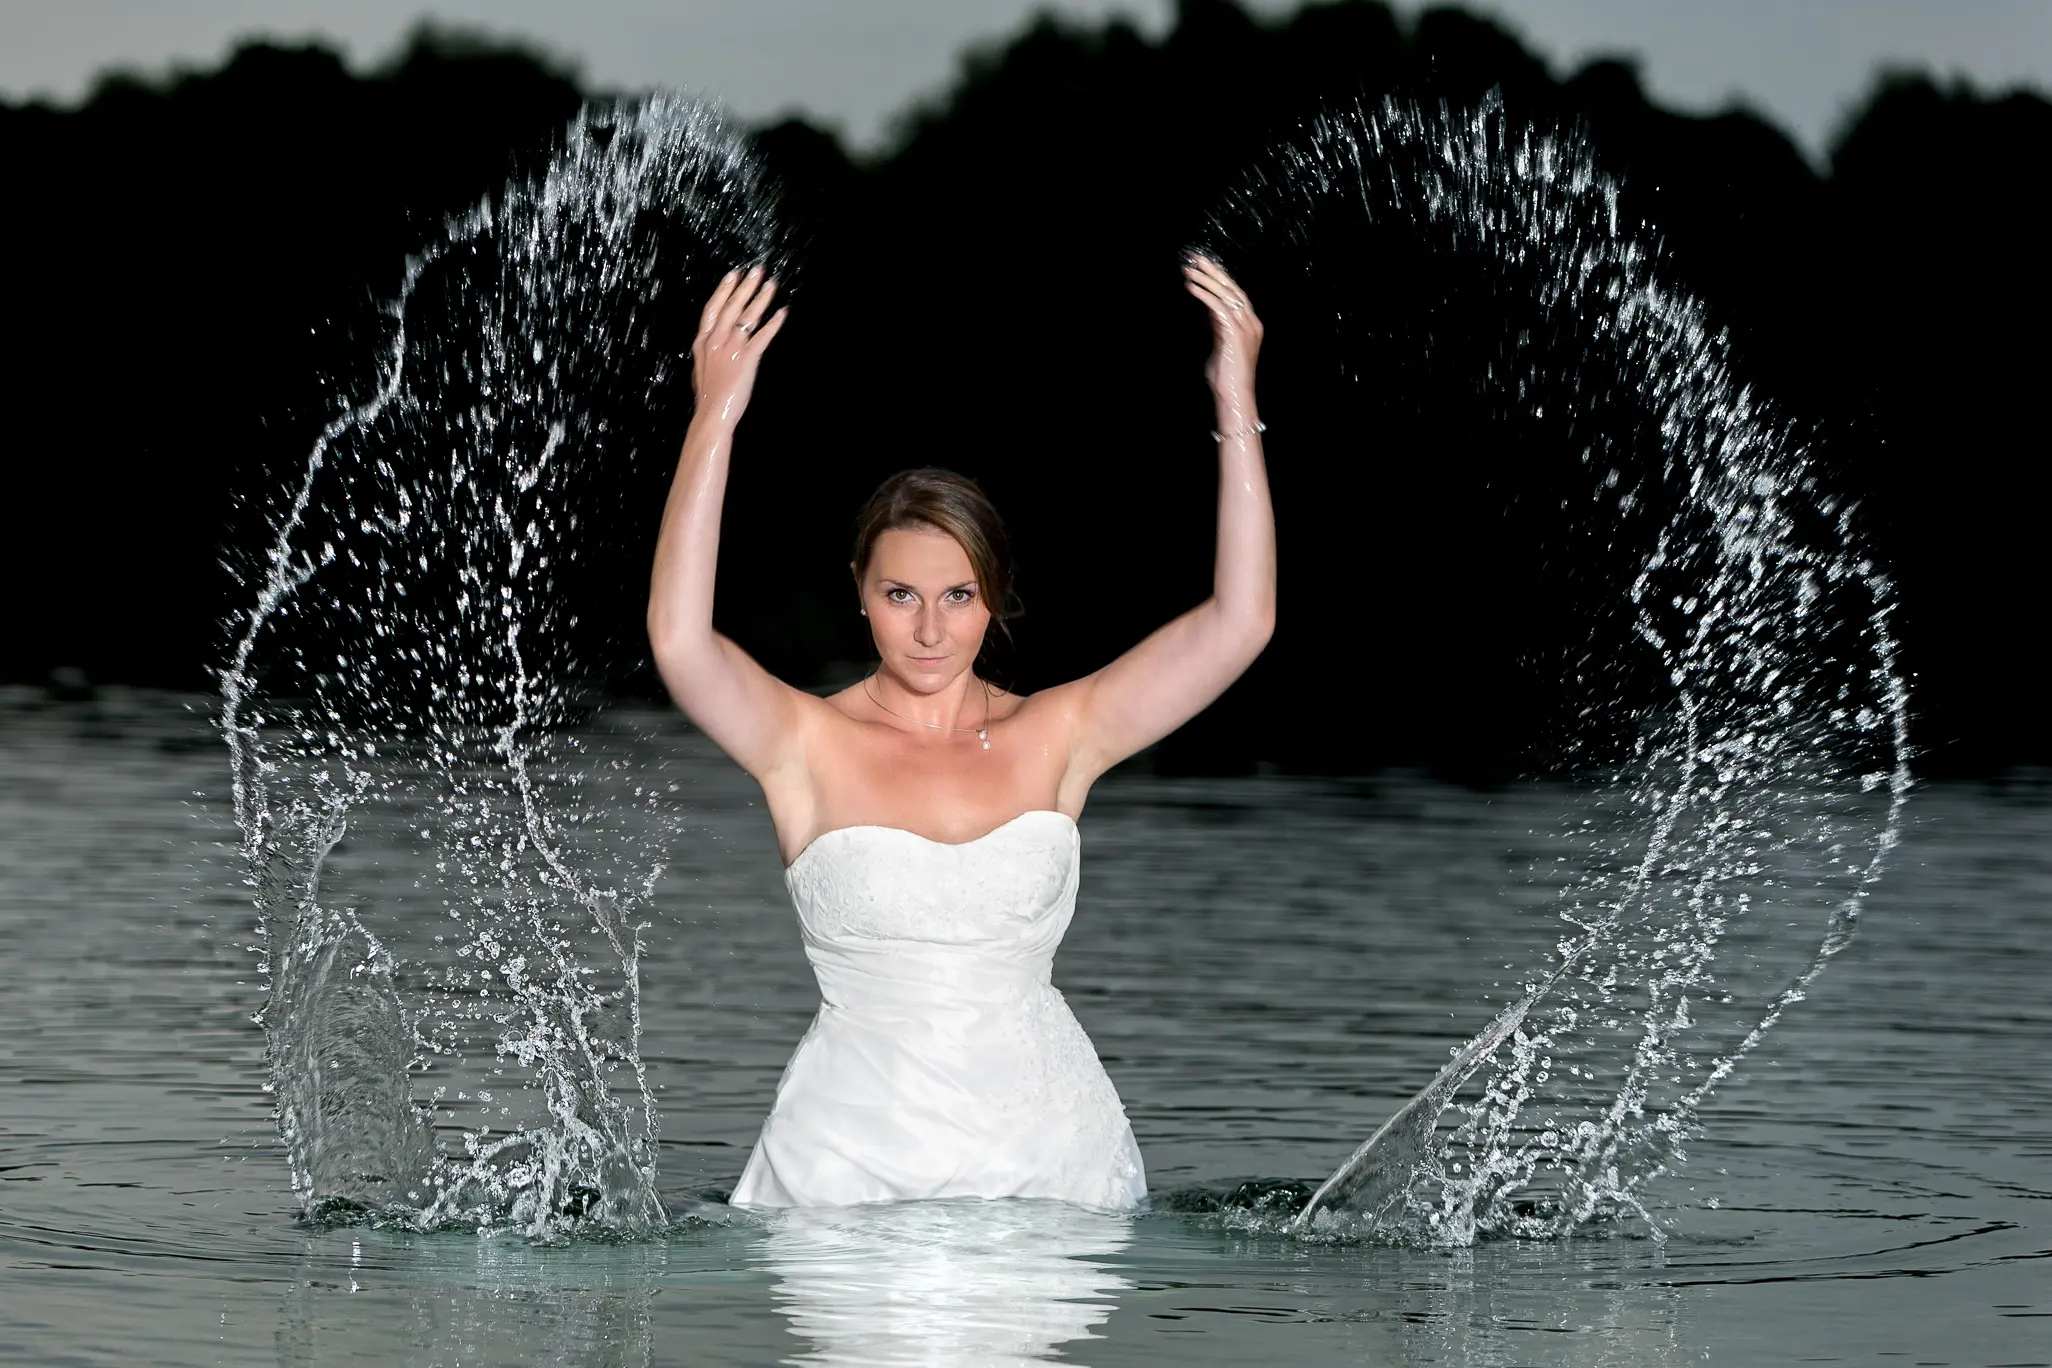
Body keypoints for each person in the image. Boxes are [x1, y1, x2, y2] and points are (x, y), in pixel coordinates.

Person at [646, 256, 1276, 1208]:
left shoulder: (1065, 731)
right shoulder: (803, 742)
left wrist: (1235, 400)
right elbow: (680, 640)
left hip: (1055, 1171)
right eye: (901, 595)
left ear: (993, 602)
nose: (931, 629)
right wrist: (714, 416)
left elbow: (1242, 622)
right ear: (860, 595)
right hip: (844, 1174)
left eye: (958, 597)